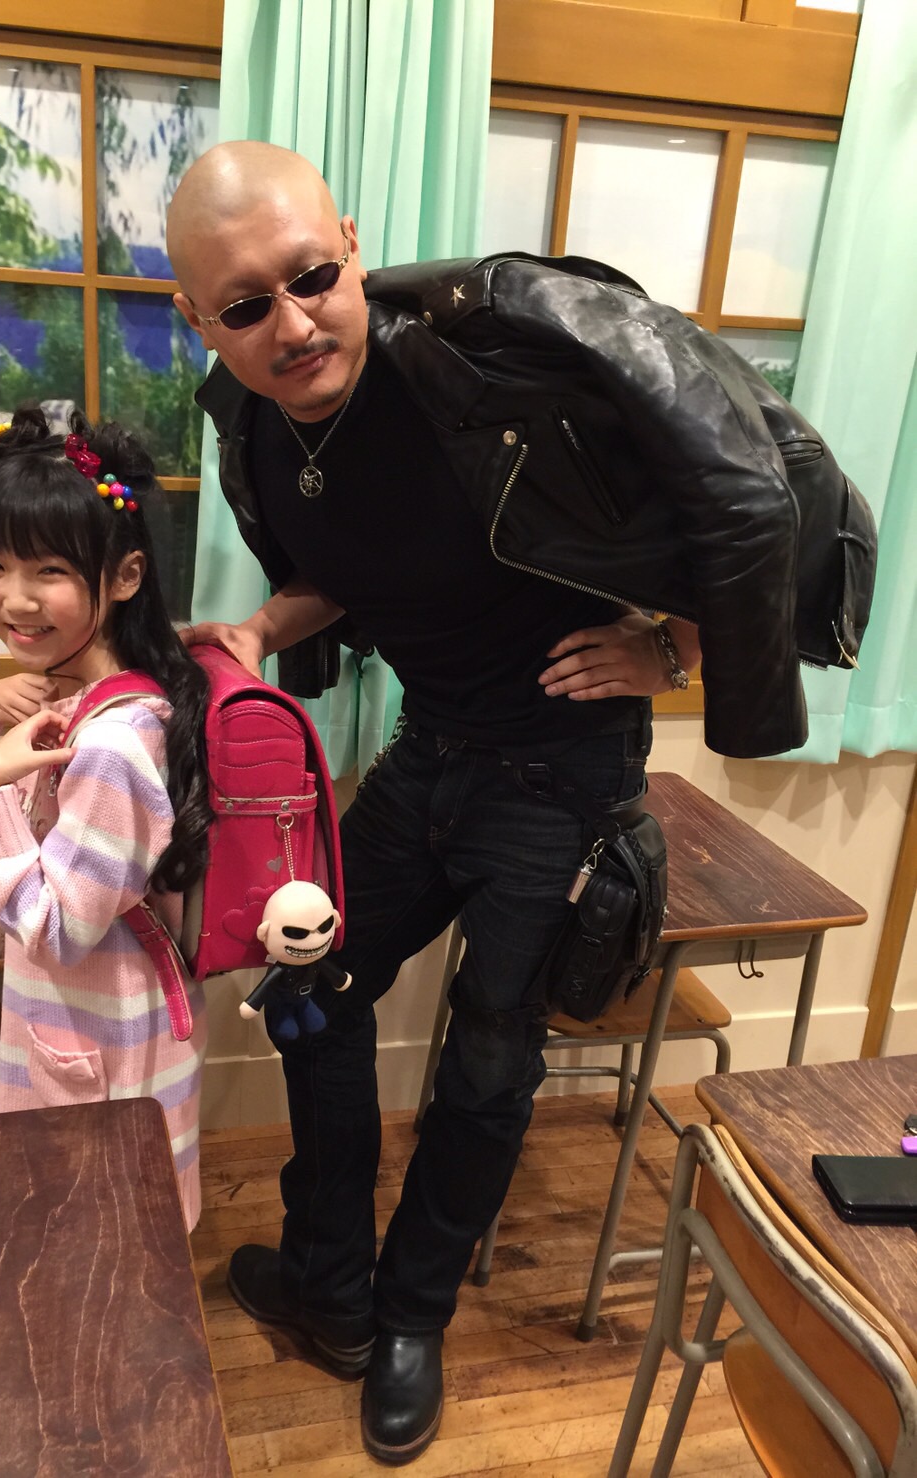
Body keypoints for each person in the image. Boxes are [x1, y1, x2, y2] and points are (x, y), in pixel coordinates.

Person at [166, 142, 702, 1465]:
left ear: (351, 246)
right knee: (311, 983)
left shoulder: (483, 376)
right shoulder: (256, 424)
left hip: (562, 778)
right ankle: (331, 1283)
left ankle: (411, 1316)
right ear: (200, 319)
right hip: (432, 750)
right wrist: (259, 627)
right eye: (247, 305)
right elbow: (352, 570)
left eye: (312, 277)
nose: (294, 323)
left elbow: (740, 515)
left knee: (487, 1060)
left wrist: (671, 649)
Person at [0, 405, 211, 1230]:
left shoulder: (114, 746)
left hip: (105, 1042)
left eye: (50, 570)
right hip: (84, 1021)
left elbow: (57, 929)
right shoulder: (83, 697)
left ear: (125, 576)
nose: (14, 598)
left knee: (107, 1245)